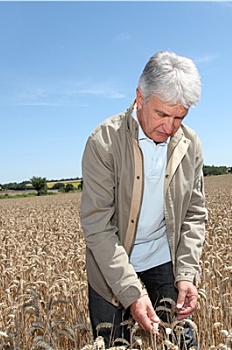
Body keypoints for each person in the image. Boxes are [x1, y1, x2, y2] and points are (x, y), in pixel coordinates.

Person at [80, 50, 207, 349]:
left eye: (180, 117)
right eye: (162, 114)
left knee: (182, 342)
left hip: (164, 261)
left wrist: (187, 273)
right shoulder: (103, 143)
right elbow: (97, 226)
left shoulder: (190, 144)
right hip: (109, 268)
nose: (170, 127)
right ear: (140, 97)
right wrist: (131, 292)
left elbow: (194, 213)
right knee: (113, 344)